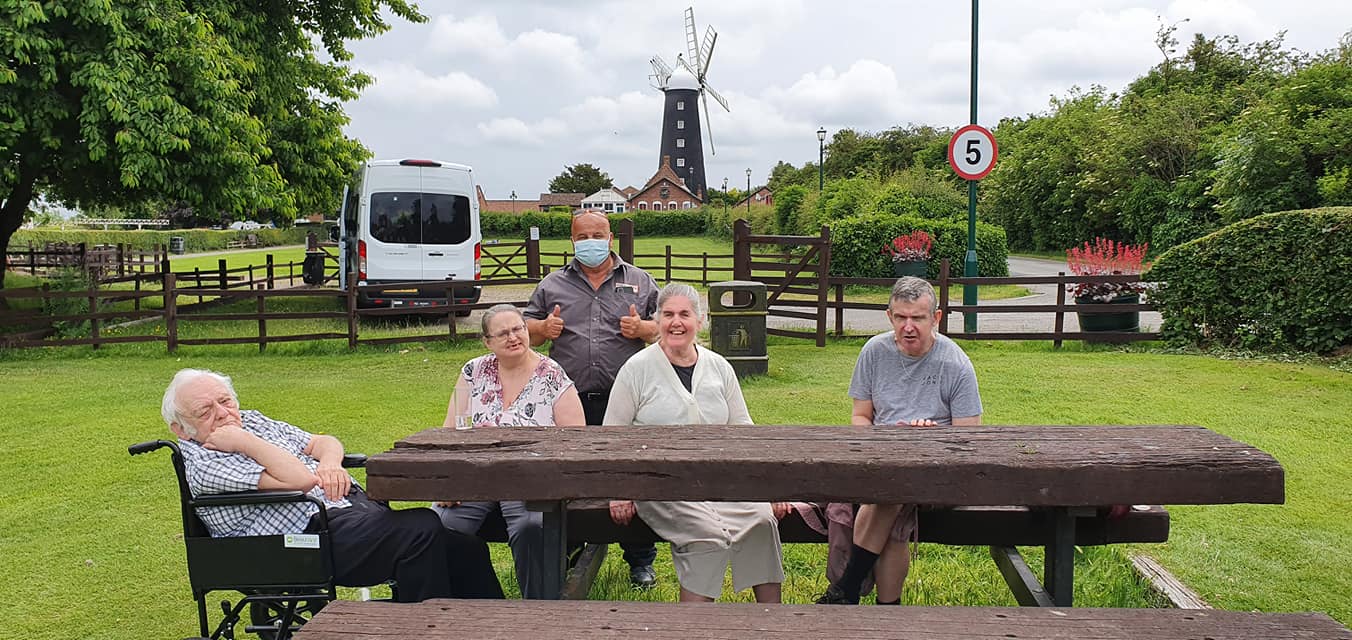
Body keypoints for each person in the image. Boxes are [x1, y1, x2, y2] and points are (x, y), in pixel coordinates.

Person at [161, 368, 504, 602]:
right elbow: (299, 481)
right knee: (421, 528)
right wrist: (244, 441)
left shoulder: (252, 420)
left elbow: (323, 442)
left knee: (465, 547)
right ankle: (427, 628)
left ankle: (492, 628)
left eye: (225, 401)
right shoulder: (204, 462)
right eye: (204, 411)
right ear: (180, 429)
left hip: (345, 512)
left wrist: (329, 463)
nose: (222, 413)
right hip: (299, 540)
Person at [603, 283, 788, 603]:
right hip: (660, 486)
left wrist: (766, 487)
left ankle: (771, 622)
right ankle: (693, 626)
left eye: (685, 314)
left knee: (761, 522)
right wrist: (619, 490)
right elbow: (613, 435)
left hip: (722, 480)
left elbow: (743, 430)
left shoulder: (719, 367)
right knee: (708, 537)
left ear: (699, 321)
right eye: (668, 314)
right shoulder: (636, 369)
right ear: (657, 320)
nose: (676, 322)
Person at [816, 276, 983, 605]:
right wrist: (882, 443)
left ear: (936, 318)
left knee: (890, 494)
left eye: (917, 318)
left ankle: (847, 588)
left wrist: (931, 440)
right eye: (900, 317)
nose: (908, 327)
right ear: (889, 316)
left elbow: (969, 437)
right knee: (891, 502)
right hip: (881, 461)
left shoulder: (956, 363)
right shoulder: (874, 352)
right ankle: (887, 610)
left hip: (938, 471)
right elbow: (860, 417)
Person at [522, 209, 663, 588]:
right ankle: (572, 550)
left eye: (597, 235)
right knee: (571, 476)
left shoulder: (639, 280)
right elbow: (525, 331)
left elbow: (665, 327)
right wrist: (543, 327)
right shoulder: (552, 284)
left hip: (627, 400)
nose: (590, 242)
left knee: (631, 476)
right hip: (570, 401)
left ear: (610, 238)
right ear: (572, 240)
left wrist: (643, 328)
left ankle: (640, 560)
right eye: (582, 236)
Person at [431, 304, 585, 598]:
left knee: (531, 526)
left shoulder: (552, 374)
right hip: (476, 475)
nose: (513, 337)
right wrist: (449, 481)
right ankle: (483, 598)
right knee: (440, 525)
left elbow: (576, 436)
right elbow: (452, 430)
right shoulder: (473, 371)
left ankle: (539, 607)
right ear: (487, 342)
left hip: (533, 479)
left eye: (518, 329)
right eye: (502, 333)